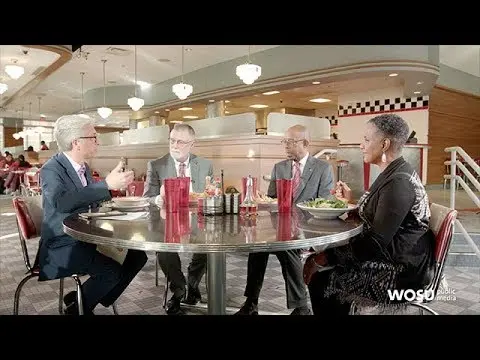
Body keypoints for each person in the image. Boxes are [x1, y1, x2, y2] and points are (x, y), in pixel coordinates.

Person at [303, 113, 435, 315]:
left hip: (400, 272)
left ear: (384, 144)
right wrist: (349, 203)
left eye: (366, 139)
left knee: (322, 279)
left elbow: (374, 244)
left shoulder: (399, 182)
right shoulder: (393, 172)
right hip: (392, 257)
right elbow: (379, 216)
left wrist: (323, 258)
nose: (361, 145)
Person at [37, 114, 148, 315]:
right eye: (93, 137)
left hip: (86, 236)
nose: (98, 141)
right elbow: (62, 202)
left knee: (137, 257)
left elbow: (87, 202)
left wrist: (112, 195)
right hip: (61, 243)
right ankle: (79, 307)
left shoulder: (83, 168)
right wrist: (106, 185)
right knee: (110, 272)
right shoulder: (51, 169)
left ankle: (84, 298)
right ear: (76, 143)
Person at [235, 124, 335, 315]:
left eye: (290, 142)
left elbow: (324, 204)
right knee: (258, 247)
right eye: (284, 141)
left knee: (287, 247)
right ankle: (251, 302)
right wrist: (261, 200)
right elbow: (272, 202)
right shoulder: (279, 168)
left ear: (305, 143)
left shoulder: (323, 168)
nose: (286, 146)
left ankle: (301, 307)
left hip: (307, 228)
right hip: (280, 227)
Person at [143, 123, 214, 315]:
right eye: (172, 140)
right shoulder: (156, 165)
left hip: (198, 222)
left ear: (192, 144)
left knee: (211, 246)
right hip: (168, 222)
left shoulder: (205, 165)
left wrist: (211, 194)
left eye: (180, 142)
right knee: (164, 248)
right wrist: (159, 198)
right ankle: (178, 288)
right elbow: (146, 197)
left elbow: (210, 195)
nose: (174, 145)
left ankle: (193, 283)